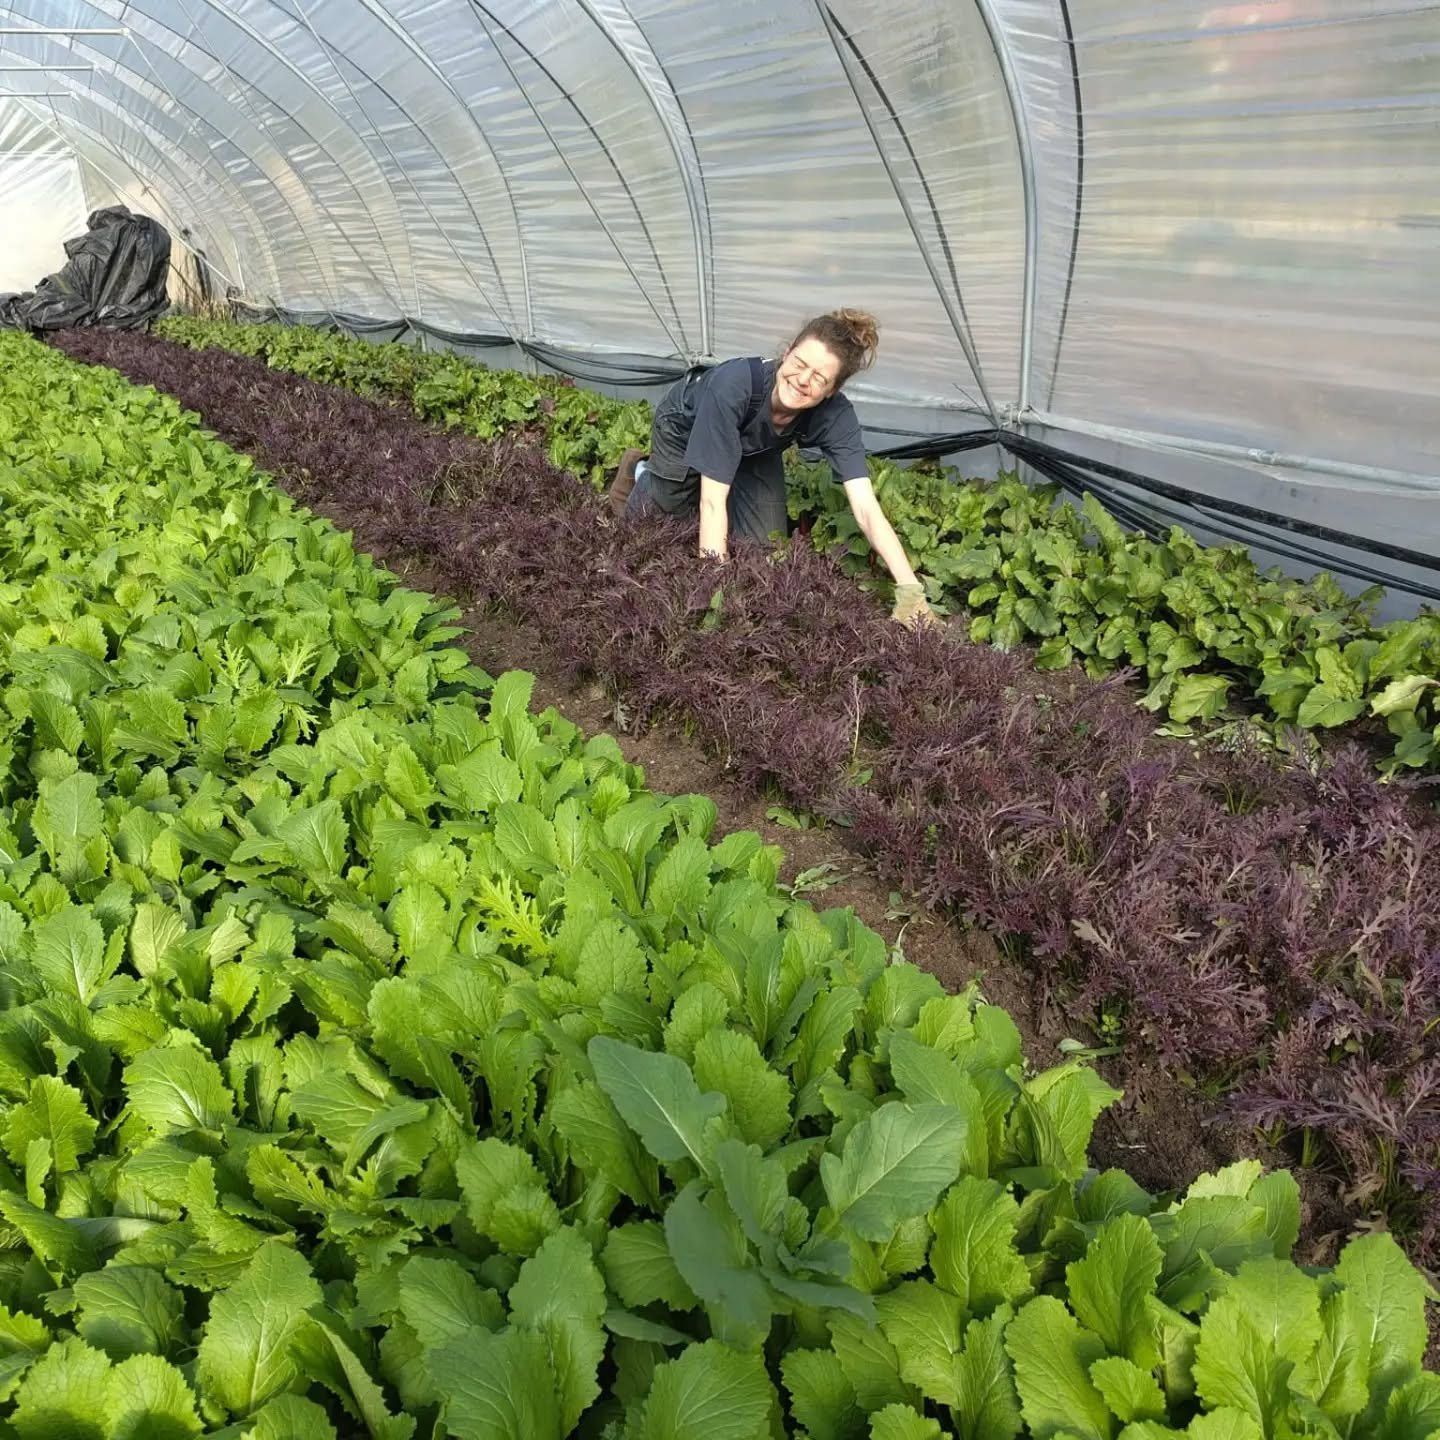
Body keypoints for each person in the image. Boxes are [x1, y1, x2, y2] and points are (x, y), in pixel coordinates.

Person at [608, 309, 933, 628]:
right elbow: (712, 503)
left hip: (754, 447)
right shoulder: (733, 386)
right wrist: (715, 594)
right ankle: (641, 472)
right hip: (684, 427)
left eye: (819, 378)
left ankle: (697, 478)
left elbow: (866, 510)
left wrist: (910, 592)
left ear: (832, 390)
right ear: (786, 353)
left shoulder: (837, 417)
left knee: (762, 550)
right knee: (662, 517)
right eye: (799, 364)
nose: (803, 380)